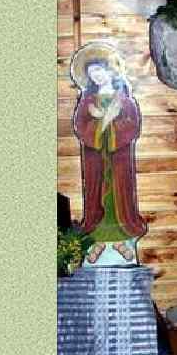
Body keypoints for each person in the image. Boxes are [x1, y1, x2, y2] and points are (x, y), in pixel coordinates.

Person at [70, 42, 147, 264]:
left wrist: (111, 123)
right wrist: (102, 120)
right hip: (94, 159)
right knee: (96, 195)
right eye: (91, 73)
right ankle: (98, 240)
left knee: (119, 196)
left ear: (110, 71)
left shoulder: (124, 100)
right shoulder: (87, 101)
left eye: (99, 70)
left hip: (119, 159)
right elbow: (81, 127)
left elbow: (132, 126)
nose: (96, 76)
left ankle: (122, 240)